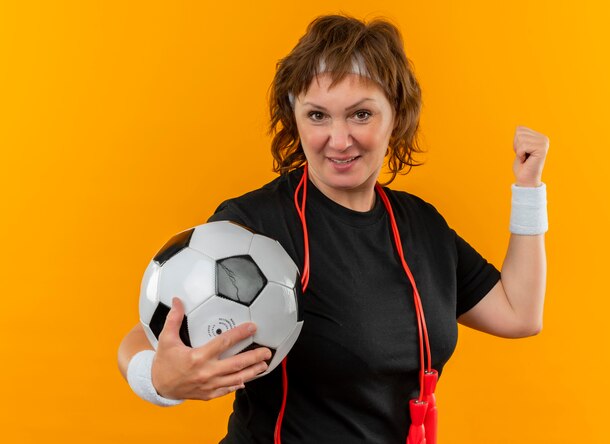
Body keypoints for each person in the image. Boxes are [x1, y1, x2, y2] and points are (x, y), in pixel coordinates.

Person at [117, 14, 549, 444]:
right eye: (318, 115)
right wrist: (157, 379)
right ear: (295, 116)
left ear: (395, 115)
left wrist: (528, 190)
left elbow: (519, 313)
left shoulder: (422, 224)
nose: (338, 140)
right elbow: (148, 334)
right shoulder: (257, 227)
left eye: (361, 115)